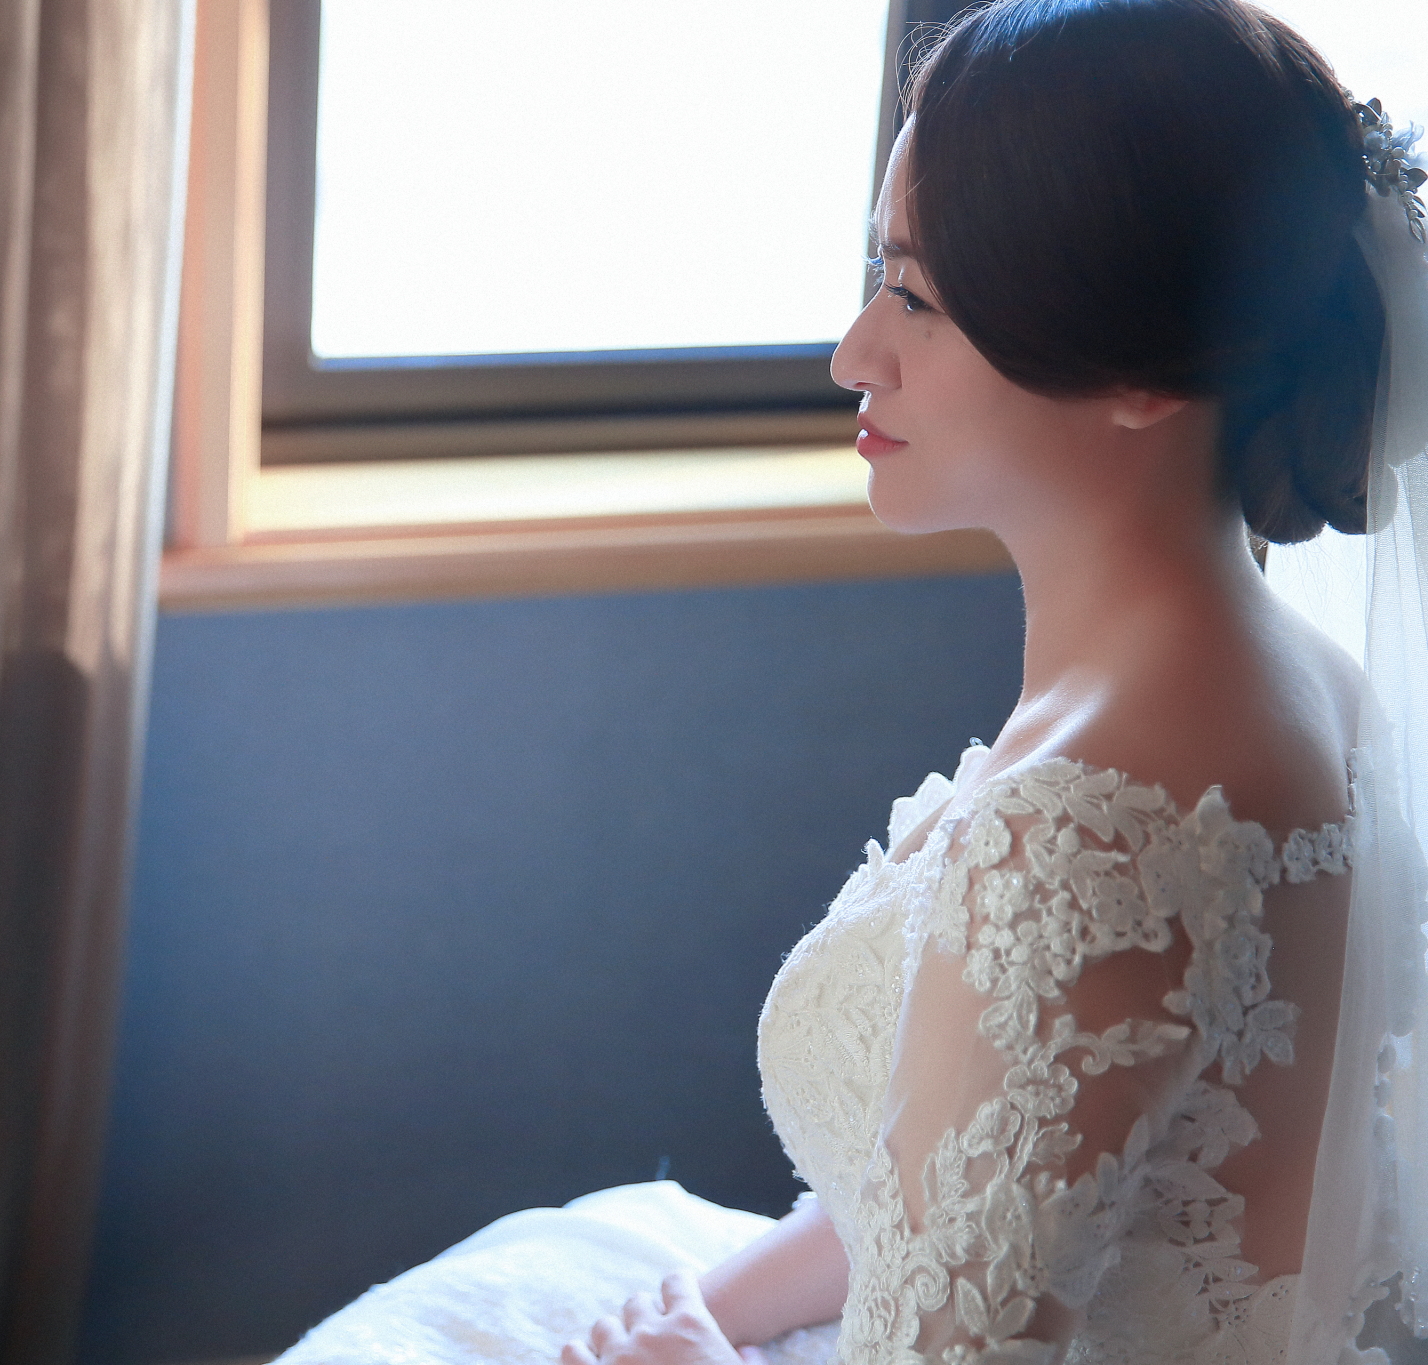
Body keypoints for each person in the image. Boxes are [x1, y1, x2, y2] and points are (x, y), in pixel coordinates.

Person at [270, 2, 1428, 1362]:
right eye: (880, 273)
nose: (852, 355)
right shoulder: (1293, 680)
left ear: (1140, 372)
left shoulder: (1099, 826)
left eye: (918, 300)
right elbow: (1018, 1188)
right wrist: (713, 1310)